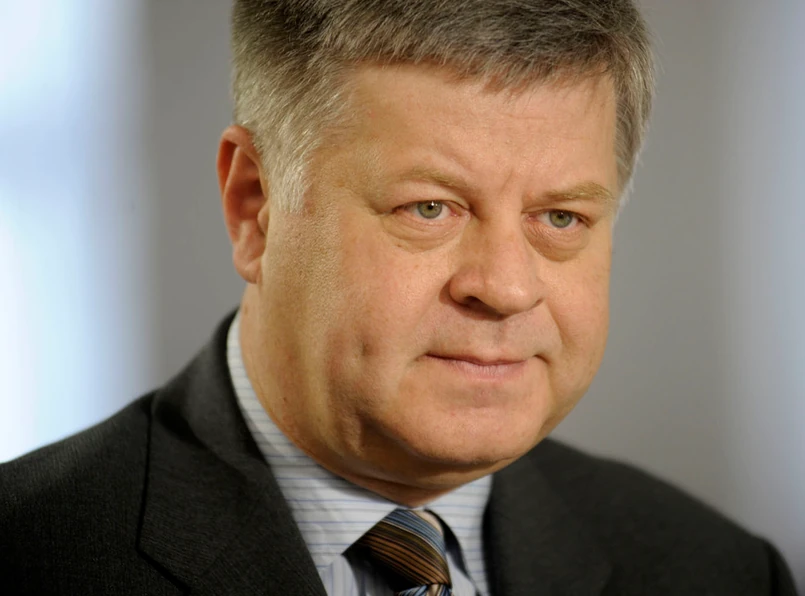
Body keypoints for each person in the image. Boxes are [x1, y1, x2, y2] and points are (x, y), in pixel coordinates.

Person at [0, 0, 798, 594]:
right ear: (255, 206)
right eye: (429, 208)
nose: (506, 287)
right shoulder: (32, 555)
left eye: (560, 217)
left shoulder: (715, 571)